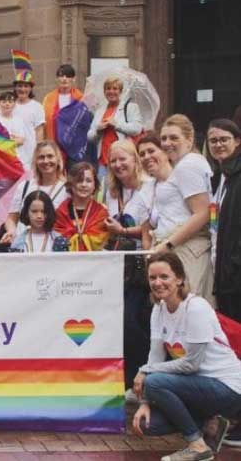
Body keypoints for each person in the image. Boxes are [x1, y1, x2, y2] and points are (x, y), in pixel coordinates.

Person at [132, 252, 241, 461]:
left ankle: (198, 446)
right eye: (152, 278)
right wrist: (144, 402)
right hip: (199, 387)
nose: (157, 283)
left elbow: (192, 364)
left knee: (155, 381)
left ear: (180, 278)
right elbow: (154, 358)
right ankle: (211, 423)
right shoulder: (159, 309)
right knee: (149, 425)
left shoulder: (196, 307)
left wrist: (146, 371)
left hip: (228, 387)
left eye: (164, 276)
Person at [143, 116, 214, 304]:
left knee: (187, 312)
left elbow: (203, 213)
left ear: (190, 139)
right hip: (182, 248)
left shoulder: (188, 165)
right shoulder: (187, 163)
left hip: (187, 250)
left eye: (174, 138)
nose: (167, 143)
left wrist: (167, 245)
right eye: (164, 138)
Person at [104, 139, 154, 393]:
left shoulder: (149, 187)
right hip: (117, 266)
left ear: (135, 159)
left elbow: (151, 226)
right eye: (113, 160)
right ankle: (125, 380)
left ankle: (142, 376)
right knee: (120, 322)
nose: (118, 164)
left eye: (123, 158)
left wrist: (123, 230)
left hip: (141, 266)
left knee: (134, 321)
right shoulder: (111, 191)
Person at [207, 119, 241, 323]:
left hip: (234, 270)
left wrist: (235, 265)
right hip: (221, 266)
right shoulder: (220, 175)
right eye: (213, 140)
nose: (218, 144)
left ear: (237, 141)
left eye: (224, 139)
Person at [1, 140, 68, 245]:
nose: (46, 161)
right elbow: (11, 219)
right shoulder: (24, 187)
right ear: (35, 161)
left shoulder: (67, 189)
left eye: (50, 156)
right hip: (24, 245)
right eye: (41, 157)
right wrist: (11, 232)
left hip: (53, 246)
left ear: (58, 159)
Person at [87, 76, 143, 180]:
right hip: (103, 162)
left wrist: (116, 125)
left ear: (120, 91)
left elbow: (137, 129)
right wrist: (98, 130)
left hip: (123, 161)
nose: (111, 91)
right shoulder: (99, 111)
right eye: (108, 88)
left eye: (115, 88)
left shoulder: (131, 107)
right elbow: (90, 136)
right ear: (104, 92)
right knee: (103, 195)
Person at [54, 162, 109, 251]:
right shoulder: (60, 212)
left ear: (94, 185)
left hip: (95, 263)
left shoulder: (101, 213)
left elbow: (102, 242)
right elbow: (56, 237)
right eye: (79, 180)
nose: (84, 185)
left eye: (88, 181)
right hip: (67, 262)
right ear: (71, 184)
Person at [42, 64, 87, 161]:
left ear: (73, 79)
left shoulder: (81, 98)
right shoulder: (48, 98)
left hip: (74, 147)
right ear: (57, 79)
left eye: (68, 76)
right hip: (54, 146)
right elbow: (44, 123)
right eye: (61, 76)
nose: (64, 79)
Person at [0, 90, 34, 171]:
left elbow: (21, 140)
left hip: (19, 158)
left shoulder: (19, 120)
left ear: (14, 104)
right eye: (4, 101)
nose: (7, 104)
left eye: (10, 102)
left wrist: (6, 139)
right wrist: (12, 139)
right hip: (1, 159)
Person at [12, 71, 45, 144]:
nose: (22, 89)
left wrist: (38, 150)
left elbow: (39, 131)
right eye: (20, 86)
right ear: (15, 87)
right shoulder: (9, 106)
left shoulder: (37, 107)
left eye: (26, 86)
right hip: (13, 151)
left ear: (31, 88)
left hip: (31, 151)